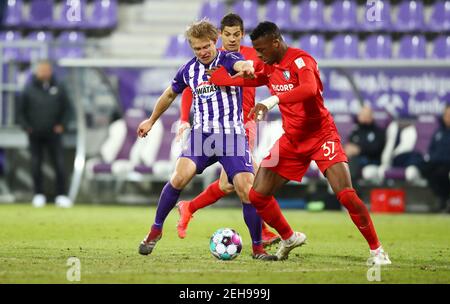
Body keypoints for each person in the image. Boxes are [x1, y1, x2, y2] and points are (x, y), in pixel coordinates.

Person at [210, 22, 391, 265]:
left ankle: (377, 250)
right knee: (258, 195)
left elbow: (309, 88)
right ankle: (289, 237)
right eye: (256, 50)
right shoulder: (269, 64)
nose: (259, 55)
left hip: (321, 136)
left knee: (346, 195)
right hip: (293, 139)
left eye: (261, 50)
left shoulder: (301, 60)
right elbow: (252, 80)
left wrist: (272, 100)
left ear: (276, 42)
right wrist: (224, 79)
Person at [136, 19, 281, 260]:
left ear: (215, 42)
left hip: (232, 136)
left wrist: (246, 67)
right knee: (179, 177)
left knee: (247, 191)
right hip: (203, 135)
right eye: (197, 48)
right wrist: (151, 120)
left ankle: (258, 249)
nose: (202, 52)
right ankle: (155, 230)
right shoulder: (188, 70)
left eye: (206, 47)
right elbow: (170, 93)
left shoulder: (227, 59)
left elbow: (242, 63)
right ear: (192, 48)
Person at [175, 13, 280, 246]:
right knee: (246, 183)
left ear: (242, 34)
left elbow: (268, 74)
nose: (232, 39)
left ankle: (189, 207)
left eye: (236, 34)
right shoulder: (213, 58)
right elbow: (189, 90)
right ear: (219, 35)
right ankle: (266, 233)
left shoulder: (252, 55)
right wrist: (184, 119)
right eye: (227, 34)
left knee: (232, 183)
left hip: (245, 124)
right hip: (219, 128)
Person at [18, 60, 72, 208]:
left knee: (60, 164)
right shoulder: (28, 89)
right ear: (36, 71)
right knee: (35, 164)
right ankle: (38, 195)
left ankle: (61, 195)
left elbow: (68, 109)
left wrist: (62, 125)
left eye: (46, 69)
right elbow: (20, 112)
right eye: (41, 70)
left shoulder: (59, 88)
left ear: (51, 71)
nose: (44, 72)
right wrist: (27, 127)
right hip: (35, 133)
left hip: (54, 134)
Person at [419, 104, 450, 213]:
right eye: (446, 115)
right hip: (436, 162)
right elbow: (431, 148)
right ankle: (441, 198)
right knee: (424, 169)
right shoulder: (439, 131)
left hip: (447, 164)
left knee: (442, 173)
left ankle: (445, 199)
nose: (448, 118)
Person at [345, 105, 385, 180]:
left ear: (371, 116)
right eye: (362, 115)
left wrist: (359, 150)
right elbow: (349, 145)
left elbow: (376, 148)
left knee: (352, 162)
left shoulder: (378, 132)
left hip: (370, 161)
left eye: (367, 115)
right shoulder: (355, 131)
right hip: (354, 159)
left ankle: (351, 188)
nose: (364, 117)